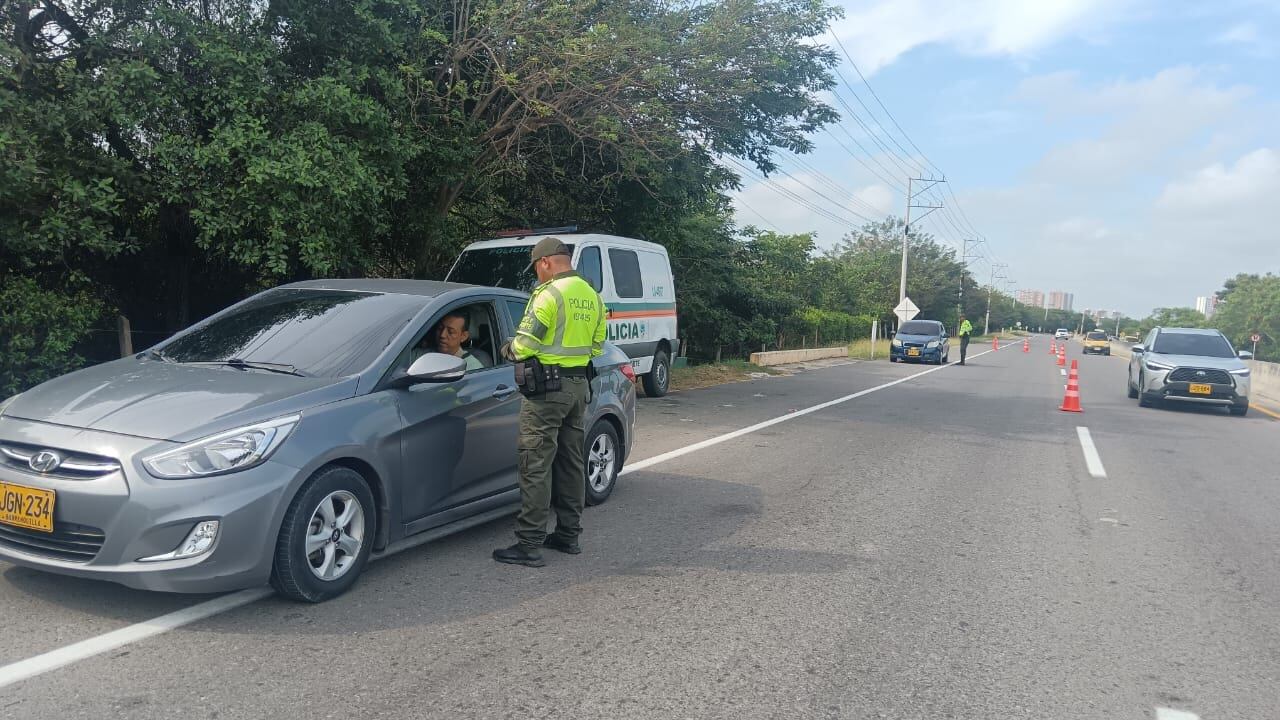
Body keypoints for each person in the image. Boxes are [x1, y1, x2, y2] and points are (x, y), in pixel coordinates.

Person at [492, 237, 606, 567]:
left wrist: (508, 349)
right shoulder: (592, 296)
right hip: (578, 387)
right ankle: (569, 536)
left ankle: (529, 544)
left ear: (545, 263)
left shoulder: (548, 294)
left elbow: (525, 345)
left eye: (536, 269)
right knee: (571, 462)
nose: (537, 276)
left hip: (546, 392)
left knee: (535, 464)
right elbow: (598, 345)